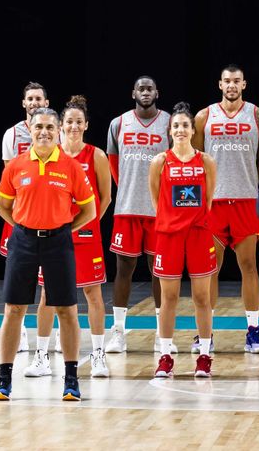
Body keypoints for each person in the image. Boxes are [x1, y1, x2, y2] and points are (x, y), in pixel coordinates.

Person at [0, 107, 97, 402]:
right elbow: (2, 205)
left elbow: (90, 210)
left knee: (66, 310)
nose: (45, 132)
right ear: (31, 129)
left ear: (59, 129)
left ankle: (72, 380)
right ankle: (4, 379)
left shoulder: (70, 166)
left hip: (58, 242)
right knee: (14, 310)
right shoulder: (16, 165)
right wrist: (22, 227)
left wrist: (63, 229)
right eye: (39, 127)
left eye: (51, 127)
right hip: (23, 240)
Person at [192, 66, 259, 354]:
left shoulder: (258, 116)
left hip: (246, 201)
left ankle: (252, 331)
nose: (232, 85)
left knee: (249, 266)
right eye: (227, 81)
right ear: (220, 84)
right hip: (214, 202)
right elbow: (197, 160)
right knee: (210, 269)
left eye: (237, 81)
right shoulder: (204, 116)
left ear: (244, 84)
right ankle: (206, 333)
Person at [42, 96, 113, 378]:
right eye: (68, 122)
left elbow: (105, 198)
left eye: (78, 122)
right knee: (48, 295)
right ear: (61, 125)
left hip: (86, 234)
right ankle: (41, 356)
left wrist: (87, 222)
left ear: (86, 125)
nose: (73, 126)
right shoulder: (50, 153)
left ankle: (97, 354)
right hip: (54, 235)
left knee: (92, 294)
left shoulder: (96, 155)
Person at [150, 104, 217, 378]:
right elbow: (157, 200)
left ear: (193, 130)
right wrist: (171, 220)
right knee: (169, 297)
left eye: (185, 126)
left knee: (202, 297)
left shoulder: (206, 161)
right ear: (170, 130)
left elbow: (209, 199)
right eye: (176, 126)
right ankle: (165, 355)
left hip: (198, 234)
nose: (180, 130)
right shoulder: (160, 161)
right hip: (168, 235)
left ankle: (204, 356)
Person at [104, 76, 169, 353]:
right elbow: (114, 164)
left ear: (157, 92)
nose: (145, 92)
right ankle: (118, 331)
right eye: (141, 88)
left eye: (149, 88)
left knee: (159, 272)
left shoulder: (169, 122)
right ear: (133, 93)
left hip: (158, 211)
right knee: (123, 270)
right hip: (127, 207)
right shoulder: (118, 123)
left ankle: (160, 333)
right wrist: (130, 188)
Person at [0, 83, 48, 352]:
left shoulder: (55, 131)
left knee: (49, 278)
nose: (34, 102)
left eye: (38, 98)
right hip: (21, 214)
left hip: (48, 215)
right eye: (30, 98)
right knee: (20, 277)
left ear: (46, 101)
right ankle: (23, 331)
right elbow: (10, 177)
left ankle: (49, 331)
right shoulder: (11, 134)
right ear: (23, 103)